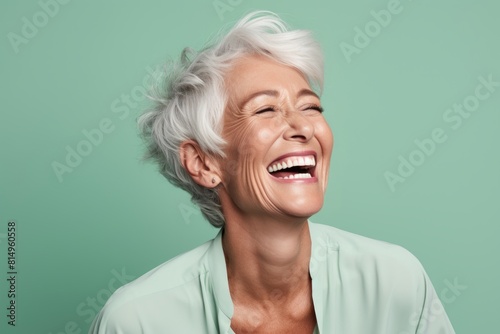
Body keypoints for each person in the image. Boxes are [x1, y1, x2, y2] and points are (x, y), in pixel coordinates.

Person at [90, 11, 455, 334]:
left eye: (311, 106)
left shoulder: (397, 284)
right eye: (266, 110)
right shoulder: (136, 321)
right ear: (203, 163)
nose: (304, 127)